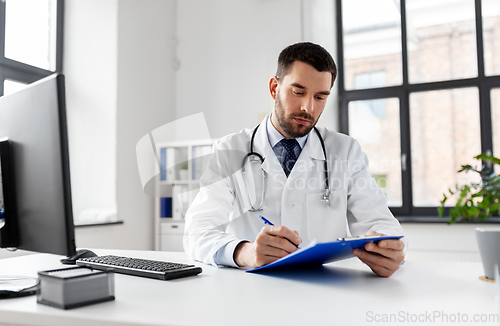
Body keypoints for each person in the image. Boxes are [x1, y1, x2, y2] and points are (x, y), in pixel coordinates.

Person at [184, 42, 406, 277]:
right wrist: (245, 252)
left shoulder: (346, 151)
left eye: (320, 97)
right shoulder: (230, 150)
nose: (308, 108)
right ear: (274, 88)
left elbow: (382, 224)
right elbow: (197, 232)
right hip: (252, 294)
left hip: (326, 294)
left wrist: (390, 251)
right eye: (298, 92)